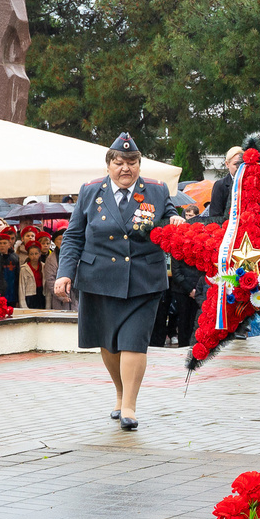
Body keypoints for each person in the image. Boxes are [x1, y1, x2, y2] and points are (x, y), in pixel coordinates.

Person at [54, 132, 176, 428]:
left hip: (143, 279)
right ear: (109, 165)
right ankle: (120, 393)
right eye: (119, 162)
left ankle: (130, 408)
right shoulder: (90, 191)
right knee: (108, 343)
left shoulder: (157, 190)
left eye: (132, 162)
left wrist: (176, 220)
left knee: (134, 341)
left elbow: (171, 213)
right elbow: (73, 236)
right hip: (99, 278)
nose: (126, 168)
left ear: (139, 165)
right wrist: (65, 273)